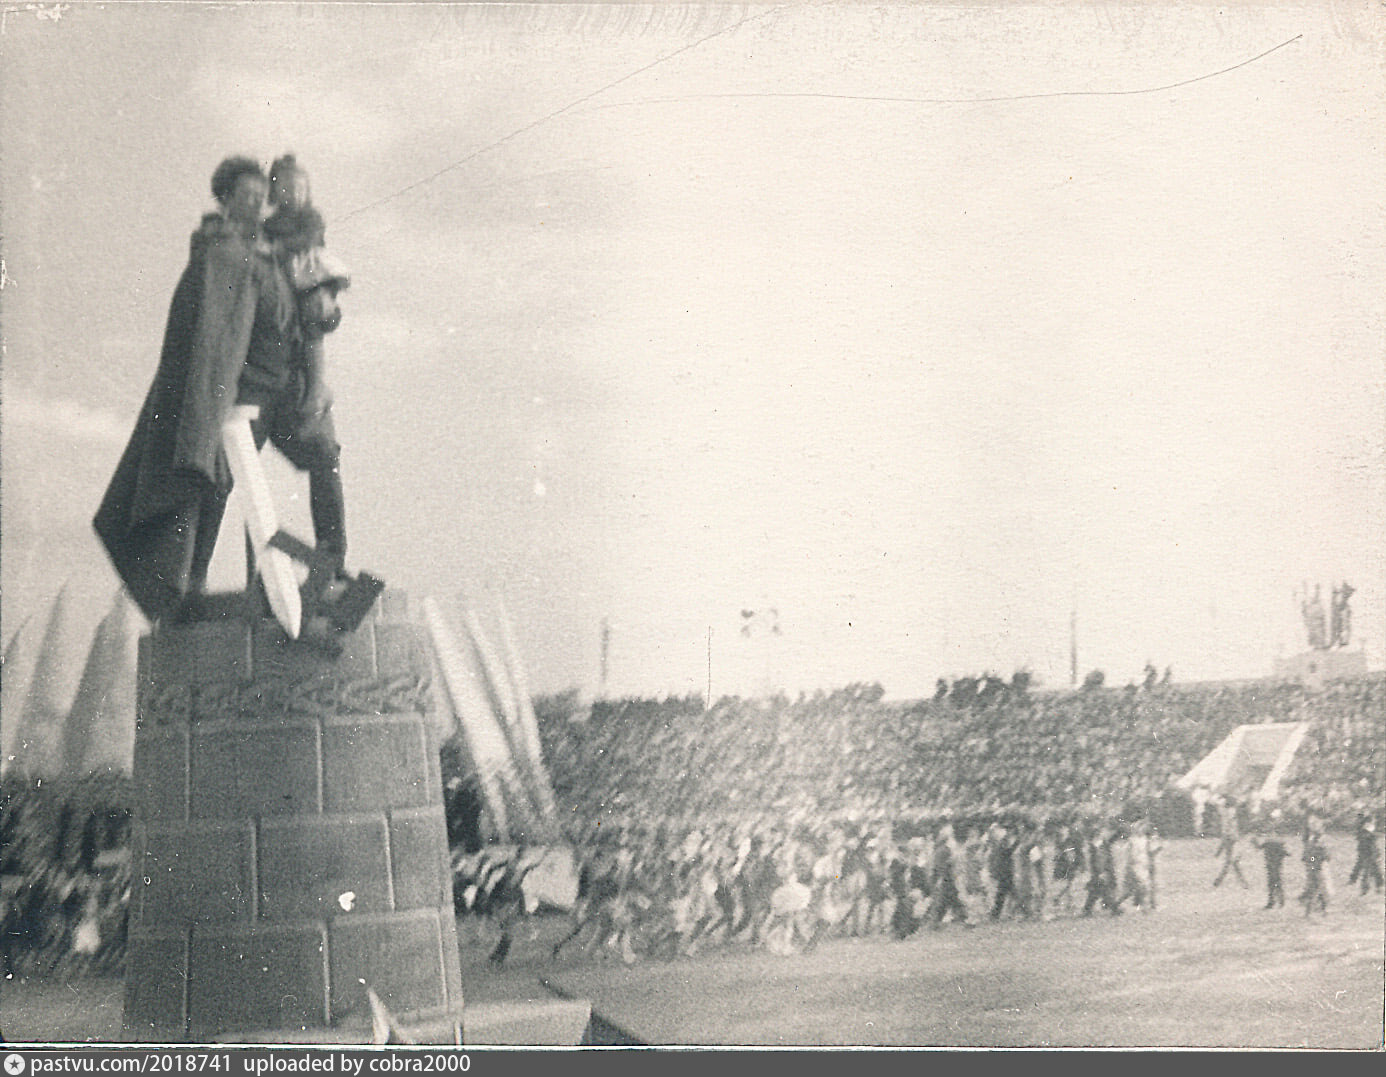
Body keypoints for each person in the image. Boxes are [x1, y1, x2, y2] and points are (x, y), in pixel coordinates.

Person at [95, 155, 360, 627]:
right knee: (217, 480)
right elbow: (211, 333)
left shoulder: (280, 252)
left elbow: (318, 317)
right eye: (247, 196)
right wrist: (213, 401)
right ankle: (192, 580)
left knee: (324, 455)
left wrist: (317, 374)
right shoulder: (220, 252)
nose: (257, 204)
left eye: (261, 197)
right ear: (225, 201)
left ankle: (333, 561)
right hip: (245, 395)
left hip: (287, 390)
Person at [1211, 796, 1249, 889]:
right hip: (1232, 838)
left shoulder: (1227, 814)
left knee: (1231, 862)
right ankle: (1242, 882)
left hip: (1232, 839)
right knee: (1233, 862)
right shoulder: (1229, 814)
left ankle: (1219, 881)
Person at [1346, 814, 1383, 895]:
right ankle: (1369, 887)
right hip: (1369, 854)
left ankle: (1371, 887)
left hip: (1367, 853)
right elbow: (1372, 844)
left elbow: (1372, 844)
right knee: (1370, 871)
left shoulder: (1364, 832)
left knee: (1369, 870)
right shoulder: (1367, 832)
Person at [1254, 832, 1290, 909]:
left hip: (1271, 866)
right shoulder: (1279, 845)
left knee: (1272, 884)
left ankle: (1273, 901)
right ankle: (1280, 901)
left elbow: (1258, 847)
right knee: (1276, 883)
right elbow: (1287, 854)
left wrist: (1254, 842)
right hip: (1276, 866)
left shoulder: (1268, 844)